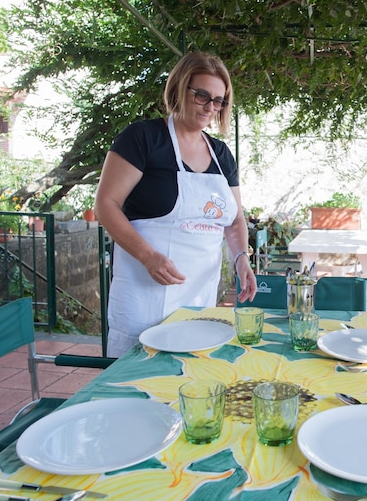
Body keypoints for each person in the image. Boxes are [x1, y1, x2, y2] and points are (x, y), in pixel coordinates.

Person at [95, 51, 257, 357]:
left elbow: (234, 220)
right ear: (180, 90)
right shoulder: (143, 138)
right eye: (202, 96)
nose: (211, 107)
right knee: (138, 383)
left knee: (189, 379)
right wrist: (148, 257)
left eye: (219, 100)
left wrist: (241, 259)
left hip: (198, 297)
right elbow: (106, 204)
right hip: (144, 293)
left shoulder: (221, 155)